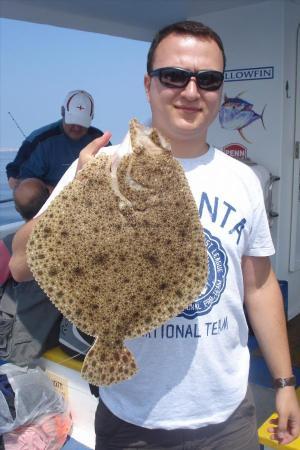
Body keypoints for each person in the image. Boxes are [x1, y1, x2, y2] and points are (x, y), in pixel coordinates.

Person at [8, 20, 300, 450]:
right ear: (148, 85)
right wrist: (80, 197)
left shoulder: (243, 179)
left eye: (208, 79)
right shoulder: (100, 165)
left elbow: (258, 286)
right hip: (131, 418)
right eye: (174, 76)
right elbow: (20, 266)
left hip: (229, 416)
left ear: (220, 90)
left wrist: (285, 382)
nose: (190, 90)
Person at [0, 178, 61, 365]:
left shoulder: (10, 244)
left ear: (17, 211)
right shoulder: (68, 238)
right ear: (50, 196)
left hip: (23, 343)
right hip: (54, 331)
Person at [6, 89, 110, 189]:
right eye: (73, 121)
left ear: (92, 118)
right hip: (48, 197)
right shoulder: (40, 140)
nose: (77, 127)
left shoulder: (99, 140)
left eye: (82, 123)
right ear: (62, 112)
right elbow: (15, 176)